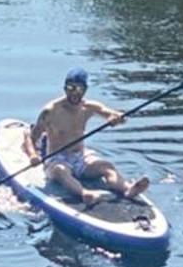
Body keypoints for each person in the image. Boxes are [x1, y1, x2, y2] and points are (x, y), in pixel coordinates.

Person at [27, 68, 150, 211]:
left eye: (79, 89)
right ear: (64, 88)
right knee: (61, 171)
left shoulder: (89, 107)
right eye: (70, 88)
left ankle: (128, 189)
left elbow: (110, 113)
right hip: (57, 158)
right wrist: (33, 156)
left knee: (106, 166)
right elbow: (32, 137)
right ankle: (84, 193)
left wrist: (116, 118)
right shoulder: (51, 111)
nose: (74, 93)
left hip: (81, 157)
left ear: (85, 90)